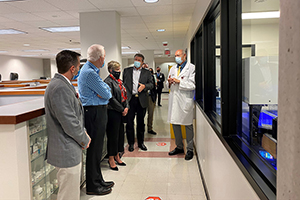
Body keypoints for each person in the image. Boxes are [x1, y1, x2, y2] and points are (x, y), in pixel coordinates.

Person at [45, 50, 91, 200]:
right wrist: (84, 138)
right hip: (66, 150)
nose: (79, 69)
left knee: (70, 192)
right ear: (72, 68)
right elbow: (69, 122)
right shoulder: (59, 87)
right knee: (68, 195)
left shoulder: (63, 84)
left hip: (69, 147)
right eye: (78, 66)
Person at [78, 44, 113, 195]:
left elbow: (106, 91)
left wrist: (104, 91)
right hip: (93, 113)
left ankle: (98, 180)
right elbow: (107, 94)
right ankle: (92, 186)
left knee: (98, 149)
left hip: (97, 111)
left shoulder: (92, 70)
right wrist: (104, 91)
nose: (104, 59)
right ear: (99, 58)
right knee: (94, 150)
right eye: (104, 56)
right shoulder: (89, 73)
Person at [167, 49, 196, 161]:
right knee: (175, 124)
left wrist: (180, 82)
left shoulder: (191, 68)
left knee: (188, 125)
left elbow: (192, 85)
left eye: (178, 55)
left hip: (185, 100)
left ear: (184, 56)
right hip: (174, 99)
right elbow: (167, 83)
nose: (176, 57)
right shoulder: (173, 68)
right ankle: (179, 147)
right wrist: (169, 82)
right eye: (175, 56)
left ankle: (189, 150)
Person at [123, 53, 154, 152]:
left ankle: (141, 143)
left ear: (142, 62)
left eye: (139, 60)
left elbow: (152, 84)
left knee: (141, 123)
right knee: (129, 122)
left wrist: (145, 86)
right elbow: (124, 84)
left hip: (141, 100)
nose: (136, 61)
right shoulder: (127, 71)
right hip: (130, 99)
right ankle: (131, 143)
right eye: (135, 59)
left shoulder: (147, 72)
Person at [104, 61, 129, 171]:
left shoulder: (119, 81)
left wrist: (126, 107)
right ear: (111, 70)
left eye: (119, 69)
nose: (119, 72)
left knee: (119, 135)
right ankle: (111, 158)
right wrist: (121, 109)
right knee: (112, 136)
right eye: (117, 70)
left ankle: (118, 155)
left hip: (121, 111)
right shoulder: (108, 82)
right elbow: (111, 98)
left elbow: (125, 95)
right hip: (113, 112)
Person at [147, 68, 157, 135]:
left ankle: (150, 128)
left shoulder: (153, 77)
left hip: (151, 96)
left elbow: (154, 86)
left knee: (150, 113)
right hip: (142, 97)